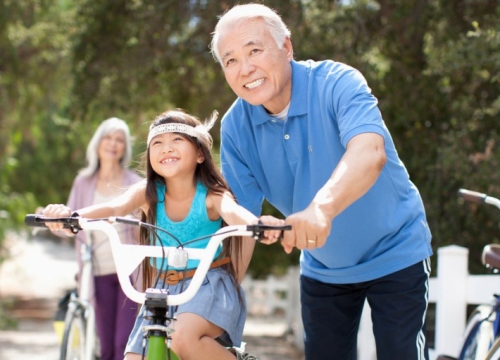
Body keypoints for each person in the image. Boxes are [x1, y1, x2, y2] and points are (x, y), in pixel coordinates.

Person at [211, 4, 433, 360]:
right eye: (230, 60)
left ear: (286, 47)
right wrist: (213, 301)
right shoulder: (236, 128)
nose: (245, 68)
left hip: (395, 252)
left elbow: (369, 151)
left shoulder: (337, 82)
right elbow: (241, 223)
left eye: (254, 50)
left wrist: (321, 210)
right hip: (324, 268)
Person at [43, 109, 284, 360]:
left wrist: (257, 225)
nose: (166, 148)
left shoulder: (212, 194)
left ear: (200, 154)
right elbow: (114, 208)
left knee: (182, 338)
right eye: (158, 143)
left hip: (208, 285)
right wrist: (72, 216)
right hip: (162, 288)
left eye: (177, 140)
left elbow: (233, 212)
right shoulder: (147, 193)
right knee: (134, 357)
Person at [49, 117, 142, 360]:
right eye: (108, 137)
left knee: (124, 341)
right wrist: (52, 221)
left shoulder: (135, 183)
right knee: (105, 346)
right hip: (97, 273)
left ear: (125, 148)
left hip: (129, 273)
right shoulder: (83, 182)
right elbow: (69, 221)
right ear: (98, 143)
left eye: (119, 139)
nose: (113, 143)